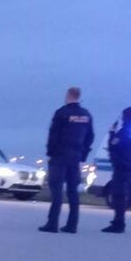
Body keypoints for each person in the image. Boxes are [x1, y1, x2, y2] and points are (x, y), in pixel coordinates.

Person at [39, 87, 95, 234]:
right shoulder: (86, 114)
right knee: (73, 191)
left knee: (56, 189)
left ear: (69, 95)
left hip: (59, 156)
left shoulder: (61, 113)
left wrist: (50, 152)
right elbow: (90, 136)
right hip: (75, 157)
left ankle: (53, 223)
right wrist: (83, 154)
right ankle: (72, 224)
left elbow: (54, 135)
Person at [102, 107, 131, 234]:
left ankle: (119, 223)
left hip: (121, 167)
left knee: (118, 195)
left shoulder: (125, 131)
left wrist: (111, 133)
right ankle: (118, 221)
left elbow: (113, 145)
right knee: (122, 193)